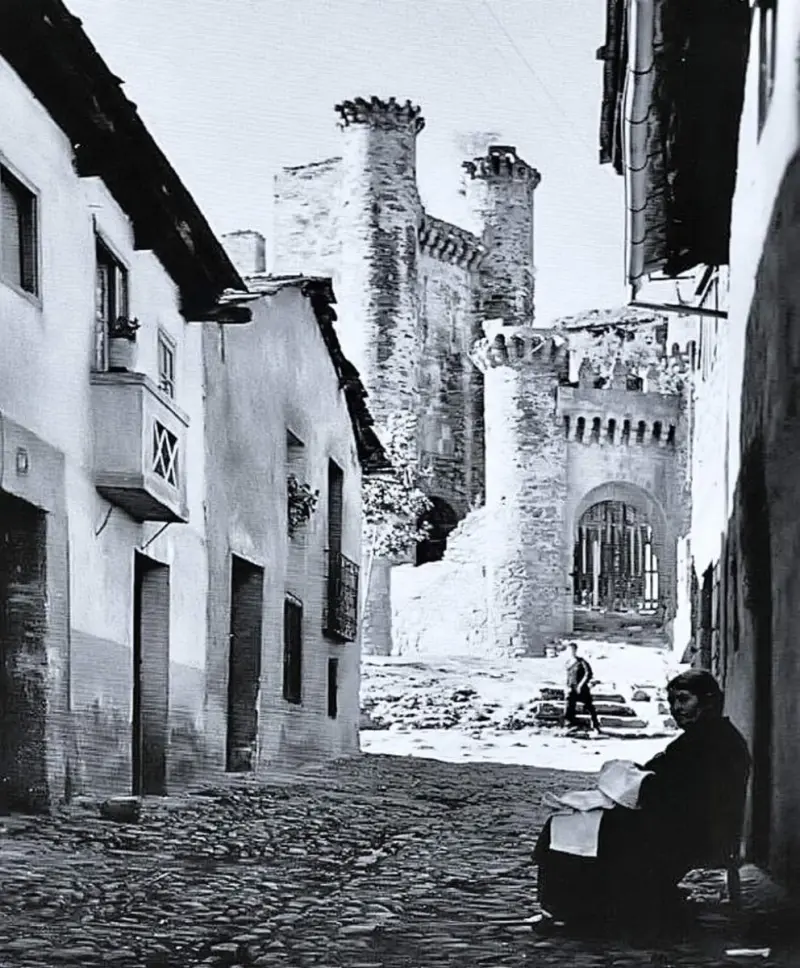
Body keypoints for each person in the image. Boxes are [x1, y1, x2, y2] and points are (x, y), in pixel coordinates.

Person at [534, 669, 751, 935]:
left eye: (683, 700)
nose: (676, 708)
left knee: (572, 825)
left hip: (693, 832)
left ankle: (581, 910)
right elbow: (671, 779)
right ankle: (591, 906)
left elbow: (682, 794)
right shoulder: (705, 737)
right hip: (683, 823)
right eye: (672, 701)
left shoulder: (713, 742)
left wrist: (637, 782)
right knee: (576, 820)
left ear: (708, 701)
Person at [563, 642, 601, 732]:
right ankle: (570, 725)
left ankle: (596, 726)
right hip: (571, 689)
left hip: (582, 689)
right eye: (569, 650)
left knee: (589, 707)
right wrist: (566, 687)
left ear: (576, 650)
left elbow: (588, 674)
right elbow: (568, 676)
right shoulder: (568, 663)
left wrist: (581, 685)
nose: (571, 652)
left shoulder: (582, 662)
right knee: (569, 706)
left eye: (572, 650)